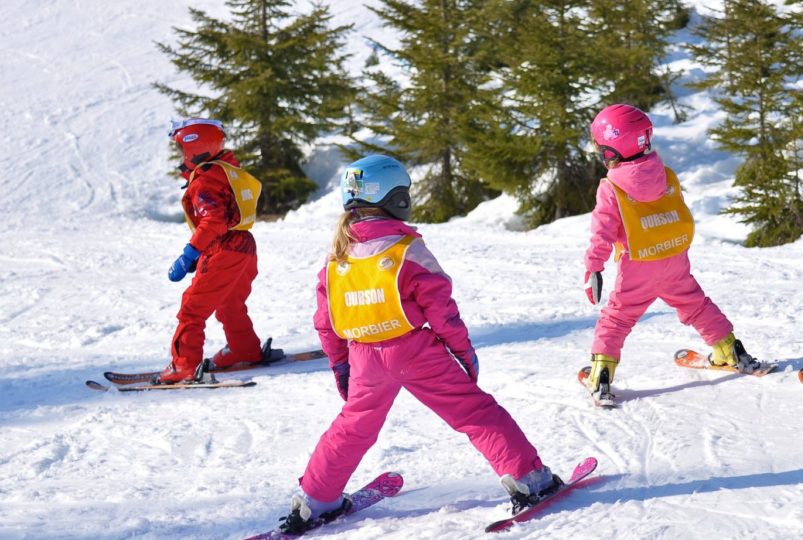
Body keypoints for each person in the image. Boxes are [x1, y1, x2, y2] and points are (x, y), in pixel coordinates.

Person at [277, 154, 560, 534]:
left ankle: (315, 499)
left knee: (352, 428)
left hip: (364, 358)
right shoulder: (407, 250)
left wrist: (341, 365)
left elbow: (326, 324)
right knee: (475, 413)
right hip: (414, 350)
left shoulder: (335, 261)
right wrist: (462, 352)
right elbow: (442, 310)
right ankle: (529, 480)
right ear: (395, 200)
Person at [581, 104, 764, 406]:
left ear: (612, 149)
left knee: (618, 317)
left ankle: (601, 372)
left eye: (603, 149)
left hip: (638, 265)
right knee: (696, 304)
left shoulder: (611, 187)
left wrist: (593, 268)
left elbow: (602, 231)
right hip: (673, 257)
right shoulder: (664, 174)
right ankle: (730, 350)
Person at [158, 118, 271, 384]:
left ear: (194, 147)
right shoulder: (223, 170)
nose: (179, 156)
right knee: (229, 304)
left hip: (224, 247)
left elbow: (213, 220)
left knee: (191, 309)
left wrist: (190, 253)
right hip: (244, 245)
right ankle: (244, 350)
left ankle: (184, 366)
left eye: (180, 149)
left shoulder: (205, 181)